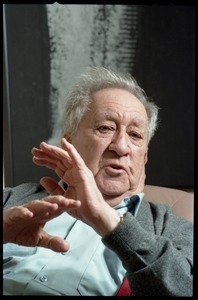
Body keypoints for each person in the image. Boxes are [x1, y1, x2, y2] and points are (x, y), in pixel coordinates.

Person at [3, 66, 193, 296]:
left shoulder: (172, 228)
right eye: (105, 128)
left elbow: (183, 287)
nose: (121, 147)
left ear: (144, 156)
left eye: (135, 135)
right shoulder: (12, 199)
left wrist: (109, 222)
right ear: (69, 142)